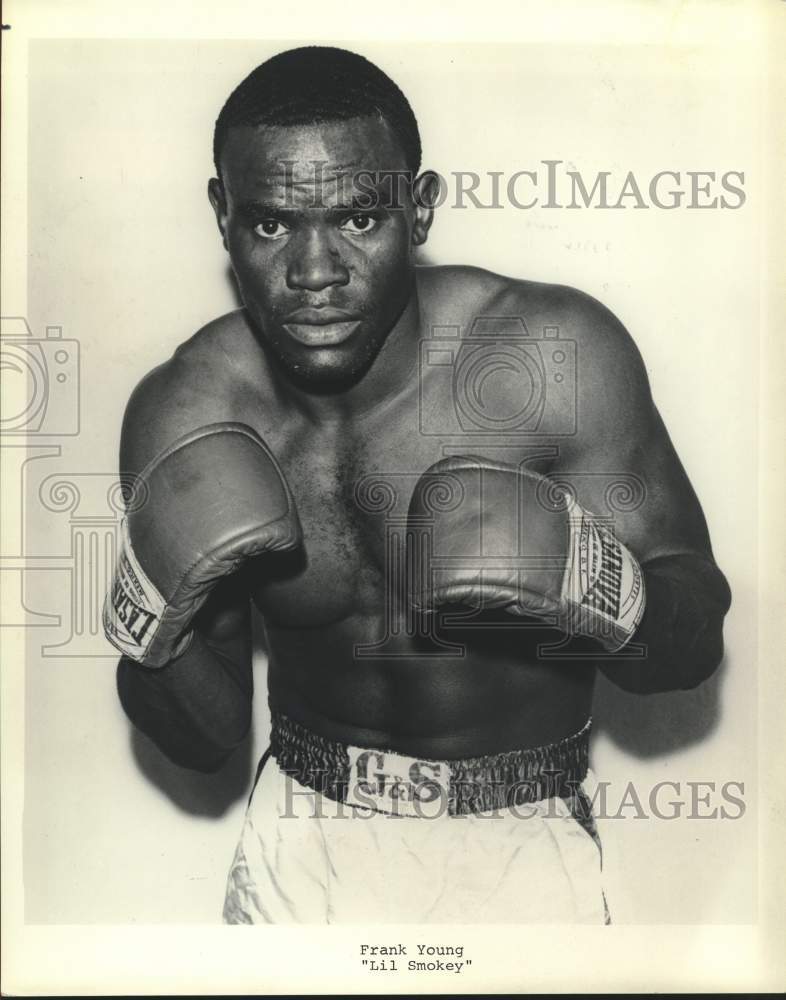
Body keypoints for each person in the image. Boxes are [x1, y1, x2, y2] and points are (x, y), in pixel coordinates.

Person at [103, 46, 731, 924]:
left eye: (359, 220)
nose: (315, 275)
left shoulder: (554, 359)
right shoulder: (190, 412)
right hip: (298, 846)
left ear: (421, 209)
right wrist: (148, 622)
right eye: (272, 225)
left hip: (522, 843)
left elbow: (693, 646)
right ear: (221, 217)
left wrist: (601, 586)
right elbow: (202, 743)